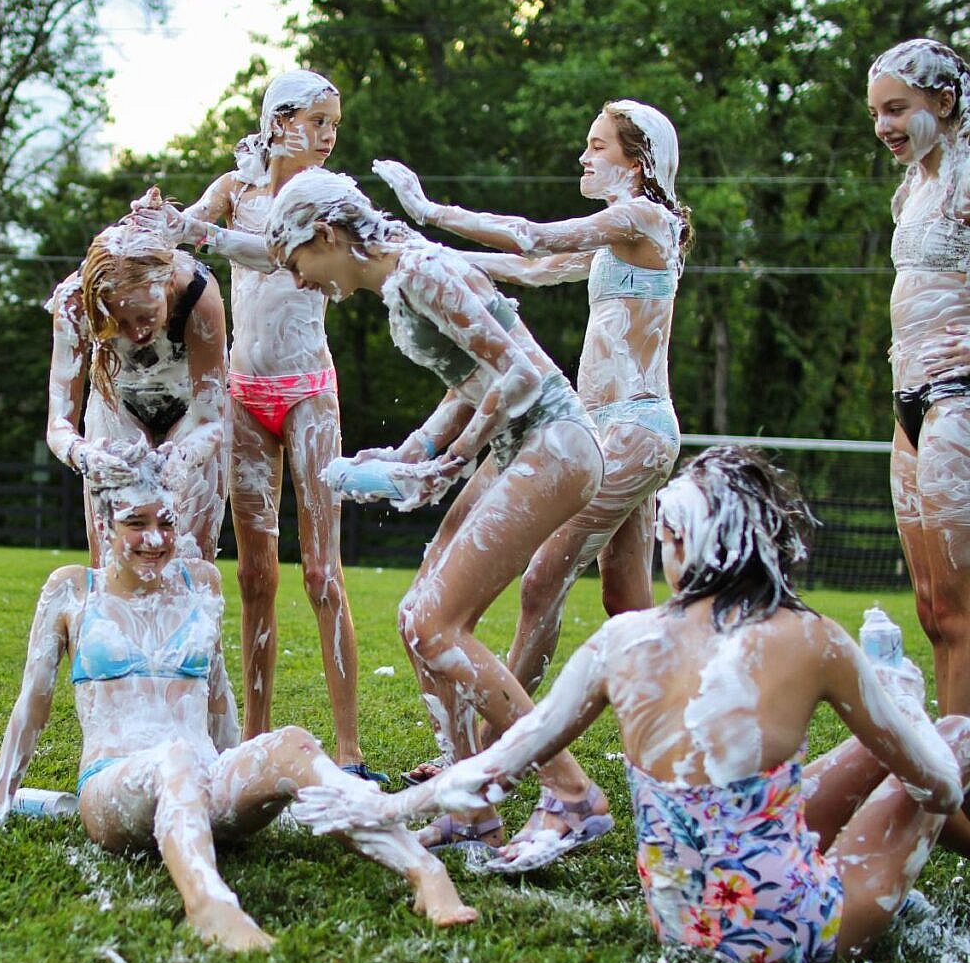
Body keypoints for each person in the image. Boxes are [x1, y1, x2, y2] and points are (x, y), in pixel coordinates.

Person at [291, 445, 970, 963]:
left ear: (676, 542)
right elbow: (935, 782)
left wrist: (381, 807)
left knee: (831, 771)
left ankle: (879, 745)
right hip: (790, 931)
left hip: (683, 923)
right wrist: (900, 701)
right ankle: (898, 715)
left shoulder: (621, 641)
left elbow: (494, 765)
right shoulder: (811, 637)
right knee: (953, 736)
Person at [0, 442, 476, 952]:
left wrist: (250, 772)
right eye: (137, 524)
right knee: (173, 759)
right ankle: (210, 906)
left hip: (203, 774)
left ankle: (424, 871)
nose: (155, 540)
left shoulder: (201, 582)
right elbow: (31, 706)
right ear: (105, 526)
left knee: (291, 743)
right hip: (114, 786)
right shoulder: (72, 589)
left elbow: (218, 695)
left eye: (166, 523)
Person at [262, 167, 612, 866]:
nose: (299, 283)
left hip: (553, 445)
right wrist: (408, 452)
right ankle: (468, 808)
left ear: (326, 236)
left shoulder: (420, 269)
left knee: (432, 622)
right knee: (416, 619)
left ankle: (572, 795)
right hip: (519, 445)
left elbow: (517, 373)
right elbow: (470, 381)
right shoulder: (402, 276)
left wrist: (447, 463)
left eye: (296, 264)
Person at [372, 99, 692, 719]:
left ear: (640, 159)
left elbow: (533, 234)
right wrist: (417, 251)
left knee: (543, 579)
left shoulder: (645, 219)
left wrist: (430, 210)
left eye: (598, 146)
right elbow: (528, 267)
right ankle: (674, 728)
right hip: (606, 431)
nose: (584, 155)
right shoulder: (616, 241)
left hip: (633, 429)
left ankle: (503, 748)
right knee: (627, 601)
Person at [130, 72, 377, 776]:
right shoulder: (235, 190)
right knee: (256, 576)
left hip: (308, 394)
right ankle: (251, 741)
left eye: (335, 123)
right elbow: (184, 233)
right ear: (279, 122)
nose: (331, 135)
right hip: (244, 393)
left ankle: (352, 752)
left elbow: (269, 249)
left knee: (322, 573)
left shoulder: (326, 198)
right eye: (320, 121)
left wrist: (192, 231)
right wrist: (157, 219)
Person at [867, 39, 970, 721]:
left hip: (959, 394)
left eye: (898, 109)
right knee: (933, 609)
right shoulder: (919, 185)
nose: (884, 127)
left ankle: (959, 783)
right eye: (876, 113)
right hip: (910, 396)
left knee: (964, 611)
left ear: (945, 101)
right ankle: (952, 755)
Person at [46, 201, 227, 564]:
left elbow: (212, 422)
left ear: (166, 284)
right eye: (119, 323)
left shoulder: (197, 294)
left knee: (191, 556)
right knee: (113, 557)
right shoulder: (75, 304)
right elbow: (59, 424)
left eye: (147, 316)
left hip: (191, 408)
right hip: (119, 399)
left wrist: (184, 458)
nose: (137, 332)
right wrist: (85, 456)